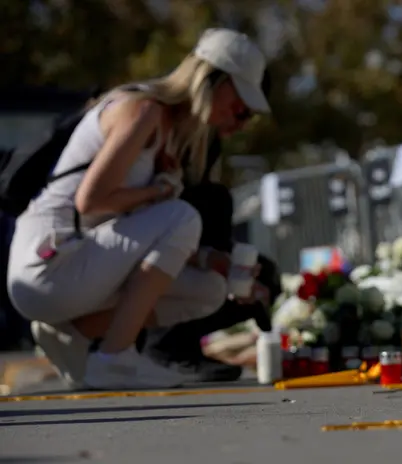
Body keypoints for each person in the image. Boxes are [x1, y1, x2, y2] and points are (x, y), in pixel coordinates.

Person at [6, 28, 271, 390]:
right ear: (212, 80)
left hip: (77, 263)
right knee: (183, 215)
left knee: (209, 288)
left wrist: (212, 260)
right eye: (240, 108)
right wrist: (158, 191)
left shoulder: (168, 135)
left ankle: (75, 336)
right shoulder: (143, 110)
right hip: (47, 263)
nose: (238, 121)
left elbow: (135, 232)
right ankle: (115, 357)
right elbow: (91, 201)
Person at [140, 133, 282, 382]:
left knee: (263, 273)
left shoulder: (213, 196)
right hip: (142, 273)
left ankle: (184, 346)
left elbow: (222, 249)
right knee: (202, 280)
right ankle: (162, 348)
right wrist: (208, 260)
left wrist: (243, 274)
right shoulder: (154, 189)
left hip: (192, 267)